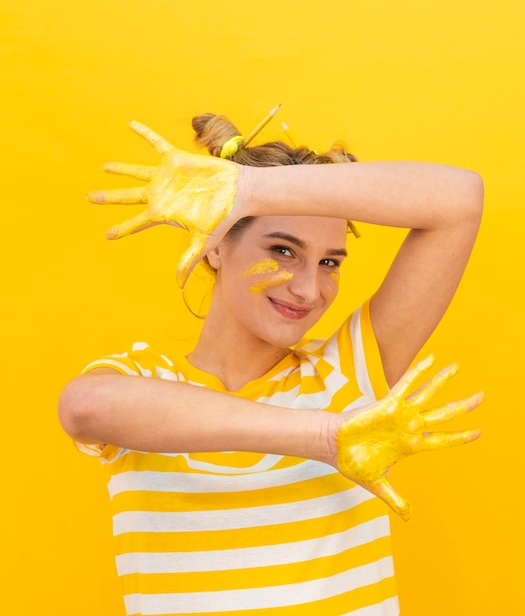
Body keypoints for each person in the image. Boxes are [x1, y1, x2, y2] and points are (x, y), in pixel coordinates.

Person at [58, 109, 484, 616]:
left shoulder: (349, 373)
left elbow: (460, 199)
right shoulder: (149, 380)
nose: (309, 289)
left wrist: (250, 192)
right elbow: (85, 407)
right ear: (216, 247)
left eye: (329, 262)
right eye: (283, 250)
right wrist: (325, 438)